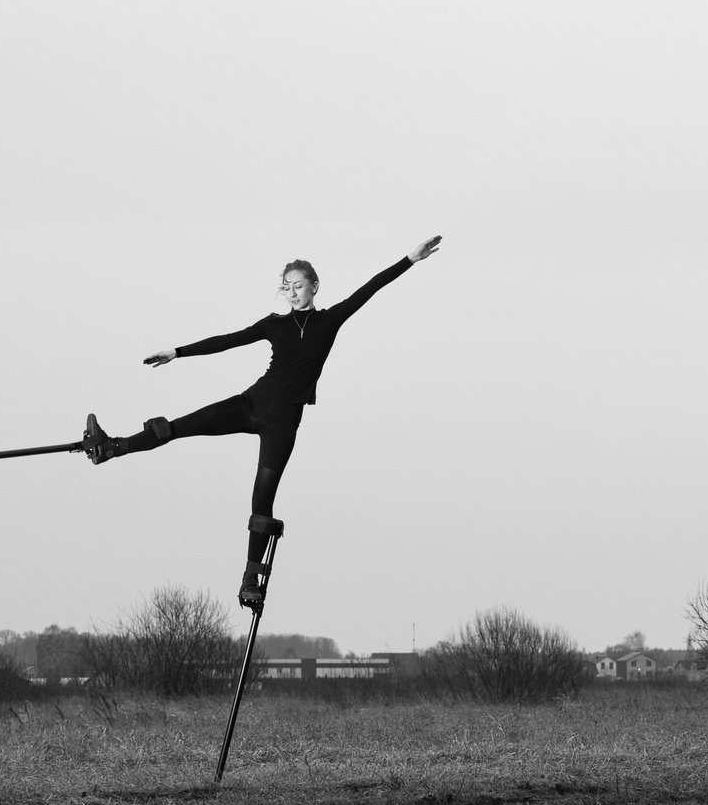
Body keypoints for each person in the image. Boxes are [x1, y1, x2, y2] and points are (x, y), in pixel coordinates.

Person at [83, 236, 442, 608]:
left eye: (298, 286)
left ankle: (250, 581)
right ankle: (112, 448)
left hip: (283, 425)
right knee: (177, 426)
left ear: (314, 286)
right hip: (251, 403)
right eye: (286, 287)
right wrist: (178, 352)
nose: (292, 293)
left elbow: (372, 287)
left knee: (262, 504)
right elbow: (229, 340)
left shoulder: (330, 320)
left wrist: (409, 260)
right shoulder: (275, 324)